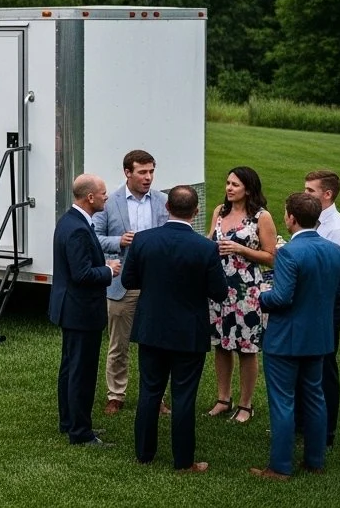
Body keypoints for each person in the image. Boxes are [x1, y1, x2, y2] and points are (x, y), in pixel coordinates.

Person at [121, 185, 226, 472]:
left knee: (149, 391)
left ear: (167, 208)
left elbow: (129, 280)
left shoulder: (143, 240)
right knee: (184, 396)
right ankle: (183, 461)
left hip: (152, 327)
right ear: (195, 212)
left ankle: (143, 453)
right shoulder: (206, 248)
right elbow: (219, 292)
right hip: (188, 331)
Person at [249, 193, 340, 481]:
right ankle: (314, 461)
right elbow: (338, 294)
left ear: (291, 218)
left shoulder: (289, 252)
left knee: (283, 401)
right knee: (315, 398)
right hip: (319, 337)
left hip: (286, 339)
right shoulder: (334, 251)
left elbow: (281, 297)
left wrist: (261, 297)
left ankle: (280, 467)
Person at [91, 150, 169, 416]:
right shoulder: (110, 202)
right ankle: (116, 395)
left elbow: (173, 235)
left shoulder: (163, 201)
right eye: (142, 172)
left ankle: (156, 397)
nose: (148, 178)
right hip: (121, 284)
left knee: (157, 345)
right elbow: (94, 237)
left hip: (155, 285)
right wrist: (119, 241)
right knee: (118, 344)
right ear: (127, 172)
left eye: (151, 172)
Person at [50, 174, 122, 447]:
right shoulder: (79, 228)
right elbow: (81, 274)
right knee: (82, 371)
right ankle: (80, 432)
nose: (106, 197)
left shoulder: (70, 220)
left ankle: (69, 421)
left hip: (70, 309)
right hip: (81, 311)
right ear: (90, 197)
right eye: (103, 193)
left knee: (70, 367)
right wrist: (108, 270)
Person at [206, 166, 277, 424]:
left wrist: (240, 249)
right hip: (218, 288)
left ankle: (246, 404)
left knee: (247, 347)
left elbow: (272, 257)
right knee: (222, 345)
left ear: (248, 188)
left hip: (247, 289)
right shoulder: (219, 211)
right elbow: (210, 240)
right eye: (227, 183)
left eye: (235, 184)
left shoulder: (261, 217)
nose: (229, 188)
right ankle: (223, 399)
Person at [302, 170, 340, 447]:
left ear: (327, 194)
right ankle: (303, 424)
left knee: (324, 367)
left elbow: (338, 277)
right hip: (312, 302)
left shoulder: (338, 229)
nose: (304, 194)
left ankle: (326, 432)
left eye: (310, 191)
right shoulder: (316, 222)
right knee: (308, 364)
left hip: (327, 305)